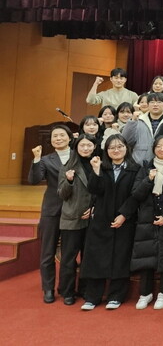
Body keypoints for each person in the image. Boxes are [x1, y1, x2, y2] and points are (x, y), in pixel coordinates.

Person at [81, 134, 140, 310]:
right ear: (106, 150)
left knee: (121, 257)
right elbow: (94, 189)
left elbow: (136, 195)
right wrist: (96, 170)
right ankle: (92, 297)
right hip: (101, 218)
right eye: (112, 147)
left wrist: (124, 215)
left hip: (125, 220)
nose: (116, 150)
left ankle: (116, 296)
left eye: (120, 146)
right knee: (96, 257)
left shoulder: (135, 169)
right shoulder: (101, 167)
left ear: (126, 148)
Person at [129, 135, 163, 310]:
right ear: (153, 149)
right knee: (147, 255)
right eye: (158, 146)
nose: (162, 149)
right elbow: (136, 194)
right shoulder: (145, 168)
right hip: (147, 218)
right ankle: (145, 293)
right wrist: (148, 180)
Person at [29, 124, 73, 304]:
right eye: (55, 136)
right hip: (51, 210)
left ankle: (67, 289)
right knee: (48, 252)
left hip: (73, 210)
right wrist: (36, 158)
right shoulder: (46, 160)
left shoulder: (78, 156)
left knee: (69, 253)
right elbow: (34, 180)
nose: (58, 138)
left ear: (70, 138)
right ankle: (48, 288)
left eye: (62, 135)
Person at [57, 134, 98, 306]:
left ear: (94, 147)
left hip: (92, 218)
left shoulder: (98, 164)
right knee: (69, 257)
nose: (86, 148)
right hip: (72, 218)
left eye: (89, 145)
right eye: (82, 145)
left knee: (88, 257)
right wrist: (69, 181)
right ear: (76, 147)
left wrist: (95, 208)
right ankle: (67, 291)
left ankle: (85, 289)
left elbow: (102, 191)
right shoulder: (68, 166)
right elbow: (62, 194)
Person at [121, 92, 163, 165]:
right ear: (148, 104)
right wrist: (132, 121)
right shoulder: (138, 120)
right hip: (139, 164)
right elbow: (126, 140)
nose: (155, 104)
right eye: (152, 102)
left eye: (159, 102)